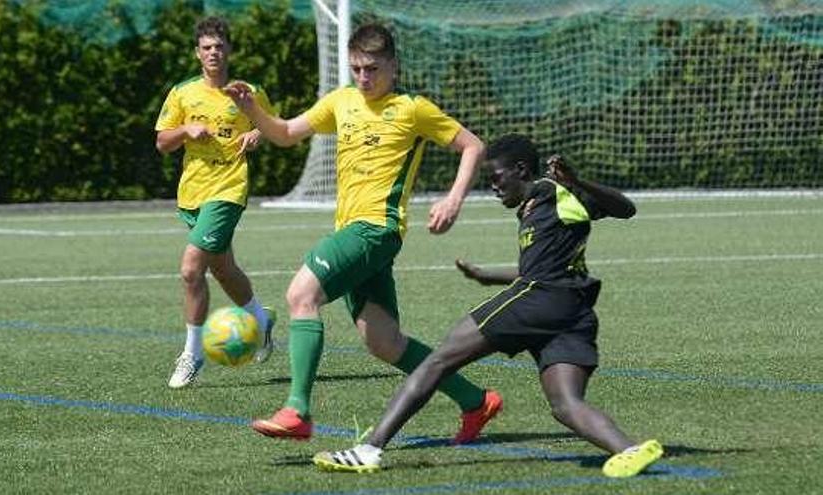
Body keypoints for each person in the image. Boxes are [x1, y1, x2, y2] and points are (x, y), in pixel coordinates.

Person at [312, 134, 664, 478]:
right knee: (565, 405)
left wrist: (577, 182)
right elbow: (537, 267)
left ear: (521, 170)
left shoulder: (551, 192)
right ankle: (629, 449)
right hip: (572, 310)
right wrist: (486, 276)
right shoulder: (537, 204)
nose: (493, 187)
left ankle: (368, 450)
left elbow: (625, 208)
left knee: (438, 361)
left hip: (540, 298)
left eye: (496, 178)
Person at [223, 23, 502, 441]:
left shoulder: (413, 108)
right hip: (356, 232)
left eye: (372, 68)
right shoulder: (342, 101)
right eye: (357, 69)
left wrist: (453, 199)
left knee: (301, 294)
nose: (364, 78)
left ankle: (297, 410)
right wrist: (253, 111)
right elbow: (283, 133)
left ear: (393, 65)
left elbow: (472, 145)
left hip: (377, 229)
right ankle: (475, 401)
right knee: (384, 343)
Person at [155, 16, 276, 389]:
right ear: (197, 53)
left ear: (230, 51)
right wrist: (185, 130)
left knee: (192, 269)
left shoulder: (247, 92)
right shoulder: (183, 93)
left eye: (219, 46)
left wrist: (257, 131)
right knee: (222, 270)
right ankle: (259, 320)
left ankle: (192, 353)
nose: (213, 53)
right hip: (193, 192)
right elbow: (162, 142)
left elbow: (274, 126)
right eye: (206, 47)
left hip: (228, 188)